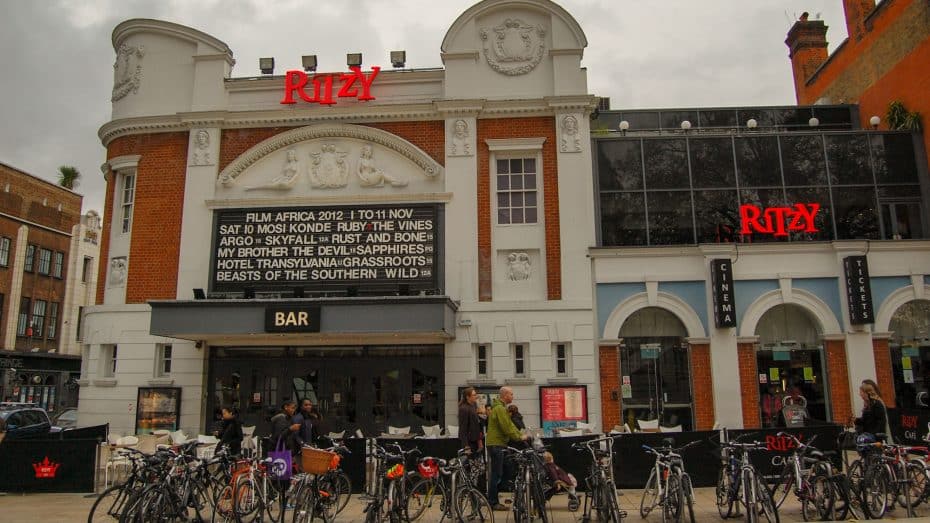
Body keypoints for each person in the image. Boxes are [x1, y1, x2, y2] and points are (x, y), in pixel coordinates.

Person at [486, 386, 529, 511]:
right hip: (496, 444)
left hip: (499, 444)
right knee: (497, 473)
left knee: (505, 469)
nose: (513, 396)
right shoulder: (499, 409)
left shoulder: (501, 408)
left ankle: (495, 496)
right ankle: (493, 502)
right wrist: (520, 438)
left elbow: (510, 425)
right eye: (511, 394)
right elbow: (506, 427)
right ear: (505, 395)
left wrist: (521, 434)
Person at [458, 387, 483, 453]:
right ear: (467, 397)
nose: (476, 396)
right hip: (469, 441)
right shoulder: (463, 408)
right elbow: (463, 428)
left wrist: (479, 441)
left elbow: (477, 424)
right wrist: (466, 446)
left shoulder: (474, 405)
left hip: (475, 439)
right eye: (474, 395)